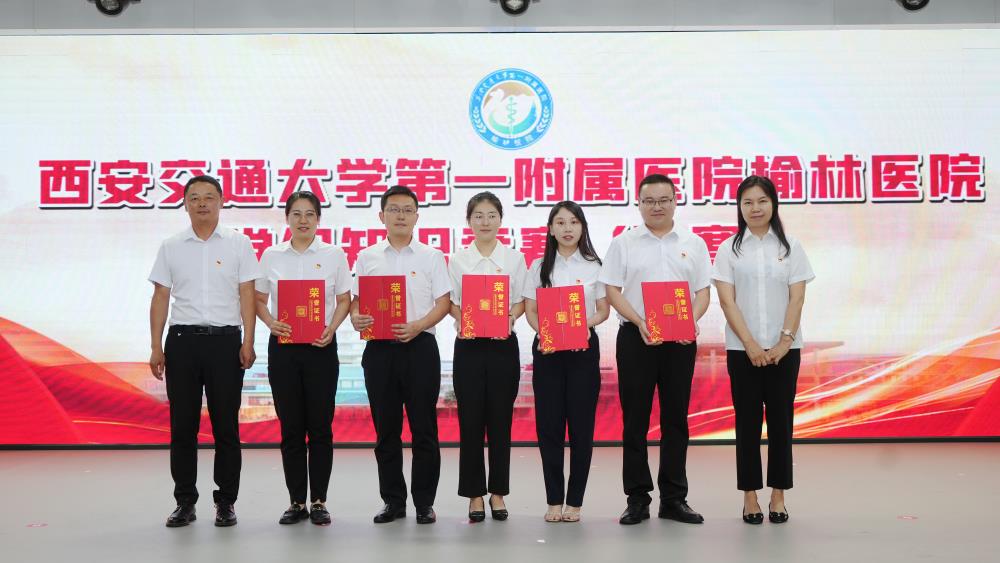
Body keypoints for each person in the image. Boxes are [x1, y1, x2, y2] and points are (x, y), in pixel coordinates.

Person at [599, 173, 711, 526]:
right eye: (649, 201)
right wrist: (640, 321)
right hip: (636, 338)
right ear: (639, 204)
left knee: (676, 419)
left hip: (679, 341)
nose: (656, 207)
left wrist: (690, 321)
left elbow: (703, 292)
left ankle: (674, 499)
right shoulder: (624, 243)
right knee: (635, 420)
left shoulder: (694, 243)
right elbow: (612, 290)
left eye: (663, 200)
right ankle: (637, 498)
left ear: (675, 201)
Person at [148, 174, 260, 528]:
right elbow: (161, 296)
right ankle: (185, 502)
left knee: (226, 426)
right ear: (185, 203)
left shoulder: (239, 244)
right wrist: (155, 345)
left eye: (209, 197)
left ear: (221, 201)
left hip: (226, 342)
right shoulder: (171, 246)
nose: (201, 203)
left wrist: (248, 340)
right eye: (194, 197)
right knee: (183, 427)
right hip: (182, 342)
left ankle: (226, 502)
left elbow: (247, 293)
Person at [712, 175, 814, 525]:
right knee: (747, 425)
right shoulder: (729, 249)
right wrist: (750, 345)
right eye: (747, 202)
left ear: (773, 204)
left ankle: (778, 495)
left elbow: (797, 298)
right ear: (739, 208)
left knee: (782, 424)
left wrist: (784, 341)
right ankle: (750, 496)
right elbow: (727, 301)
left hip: (786, 350)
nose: (755, 208)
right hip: (743, 352)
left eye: (762, 201)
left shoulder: (791, 247)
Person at [350, 185, 451, 525]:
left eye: (408, 210)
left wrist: (418, 325)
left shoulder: (432, 256)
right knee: (386, 431)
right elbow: (356, 303)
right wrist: (356, 317)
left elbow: (444, 303)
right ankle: (393, 501)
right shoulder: (367, 257)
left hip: (420, 348)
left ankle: (424, 502)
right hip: (379, 351)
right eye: (394, 209)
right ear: (382, 216)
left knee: (424, 429)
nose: (401, 215)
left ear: (417, 217)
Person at [255, 191, 352, 526]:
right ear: (287, 219)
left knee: (320, 427)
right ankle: (296, 501)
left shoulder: (334, 255)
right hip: (283, 348)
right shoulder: (271, 255)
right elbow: (258, 299)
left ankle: (319, 500)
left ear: (319, 219)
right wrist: (270, 322)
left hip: (320, 347)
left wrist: (331, 328)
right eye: (296, 214)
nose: (303, 220)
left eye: (309, 214)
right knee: (291, 427)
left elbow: (344, 299)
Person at [522, 201, 609, 523]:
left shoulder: (595, 265)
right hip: (548, 352)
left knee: (582, 429)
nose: (567, 228)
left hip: (583, 351)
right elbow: (531, 310)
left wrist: (585, 324)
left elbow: (603, 310)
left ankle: (575, 502)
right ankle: (554, 500)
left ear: (582, 227)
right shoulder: (539, 266)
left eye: (573, 222)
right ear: (550, 229)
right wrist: (543, 333)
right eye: (560, 222)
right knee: (549, 428)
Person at [447, 191, 528, 523]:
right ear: (469, 221)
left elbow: (520, 300)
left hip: (502, 345)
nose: (485, 222)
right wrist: (462, 321)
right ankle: (474, 495)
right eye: (478, 216)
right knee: (470, 422)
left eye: (491, 215)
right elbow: (451, 302)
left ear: (500, 220)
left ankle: (497, 493)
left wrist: (509, 318)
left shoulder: (514, 259)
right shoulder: (457, 260)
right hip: (468, 346)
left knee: (500, 421)